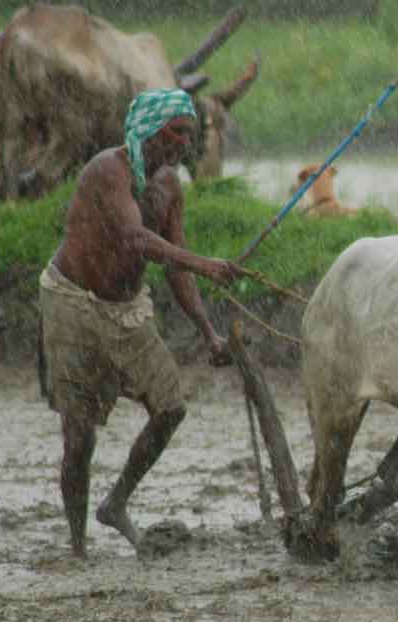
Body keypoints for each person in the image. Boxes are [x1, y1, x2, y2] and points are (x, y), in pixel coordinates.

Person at [38, 88, 244, 558]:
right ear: (149, 130)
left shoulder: (169, 186)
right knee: (78, 435)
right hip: (72, 302)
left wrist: (208, 331)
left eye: (189, 137)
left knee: (170, 406)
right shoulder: (107, 171)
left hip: (127, 309)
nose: (181, 146)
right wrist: (204, 263)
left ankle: (116, 503)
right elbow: (134, 238)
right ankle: (77, 547)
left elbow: (172, 268)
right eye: (175, 134)